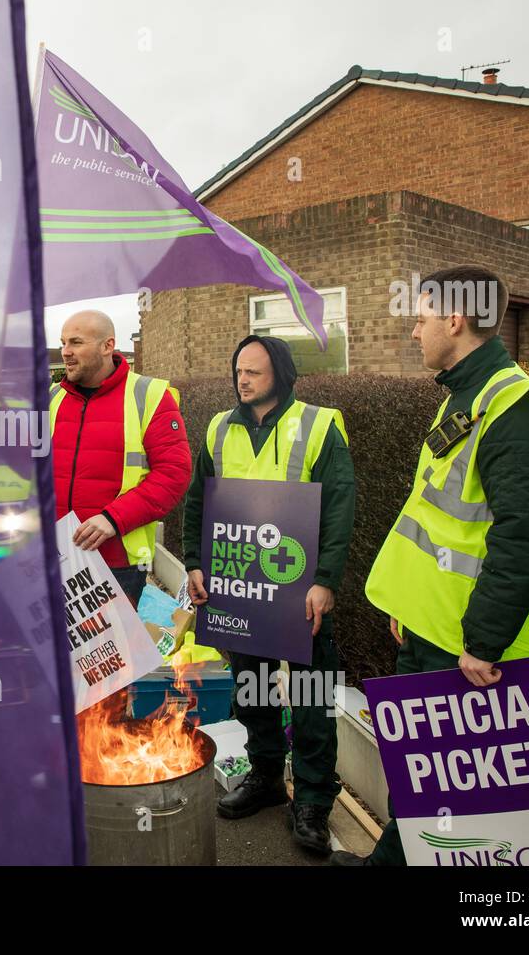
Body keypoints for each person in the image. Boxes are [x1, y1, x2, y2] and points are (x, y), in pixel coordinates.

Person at [330, 265, 529, 866]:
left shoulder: (518, 412)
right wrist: (409, 612)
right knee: (433, 783)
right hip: (434, 631)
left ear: (455, 320)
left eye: (420, 319)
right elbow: (439, 524)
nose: (414, 332)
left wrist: (484, 642)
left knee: (464, 804)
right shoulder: (466, 396)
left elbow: (524, 540)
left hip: (471, 650)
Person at [183, 334, 355, 855]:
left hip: (298, 591)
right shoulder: (217, 428)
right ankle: (265, 780)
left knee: (308, 699)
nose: (243, 379)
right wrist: (193, 562)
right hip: (240, 586)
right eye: (239, 370)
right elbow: (197, 502)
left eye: (254, 371)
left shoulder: (320, 425)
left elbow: (340, 508)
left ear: (280, 373)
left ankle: (313, 801)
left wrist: (325, 580)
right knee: (250, 689)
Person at [49, 310, 190, 608]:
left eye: (76, 342)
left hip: (118, 562)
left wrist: (113, 519)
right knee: (55, 652)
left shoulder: (149, 396)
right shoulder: (51, 399)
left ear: (107, 345)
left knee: (114, 654)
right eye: (63, 343)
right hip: (55, 556)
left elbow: (173, 474)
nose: (66, 352)